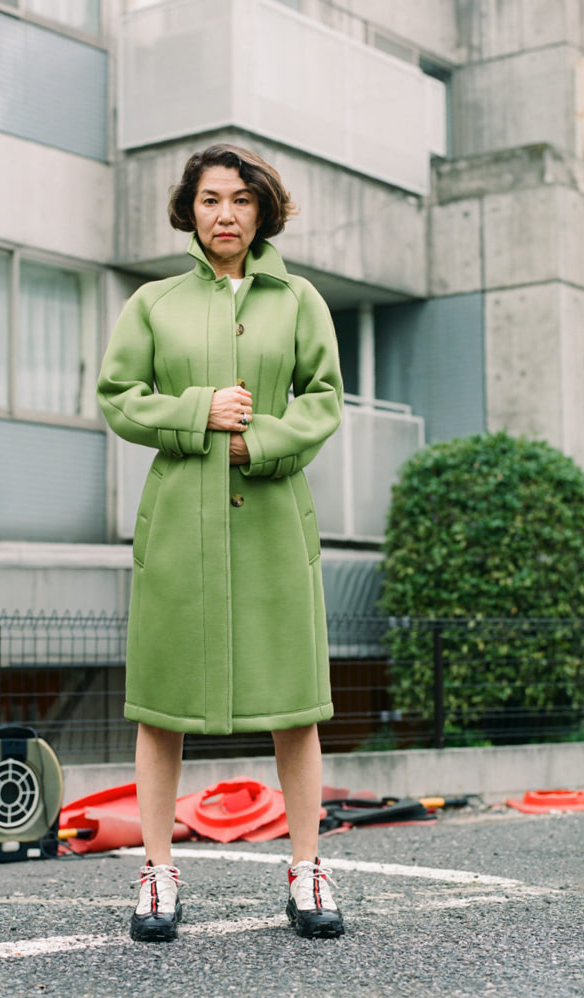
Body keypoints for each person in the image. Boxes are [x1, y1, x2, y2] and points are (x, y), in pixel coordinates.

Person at [97, 143, 345, 942]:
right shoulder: (153, 303)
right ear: (189, 210)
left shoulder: (300, 299)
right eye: (210, 200)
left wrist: (258, 441)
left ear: (263, 209)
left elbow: (324, 401)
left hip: (275, 523)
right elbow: (119, 398)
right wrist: (199, 409)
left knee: (296, 709)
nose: (226, 214)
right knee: (161, 708)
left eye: (241, 199)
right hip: (178, 526)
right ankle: (158, 872)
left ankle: (308, 870)